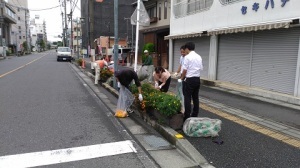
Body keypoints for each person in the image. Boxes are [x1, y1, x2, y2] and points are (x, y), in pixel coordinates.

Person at [178, 42, 203, 121]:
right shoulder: (199, 57)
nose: (185, 51)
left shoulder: (187, 57)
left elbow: (185, 70)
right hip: (197, 79)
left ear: (187, 48)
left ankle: (187, 116)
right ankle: (195, 115)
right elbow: (201, 68)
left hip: (189, 79)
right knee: (195, 98)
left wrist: (181, 78)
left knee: (187, 98)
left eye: (185, 49)